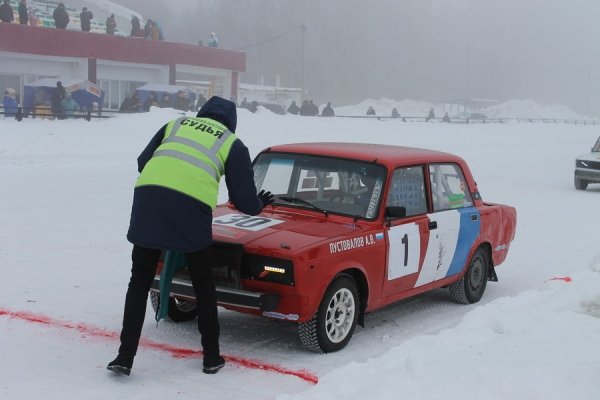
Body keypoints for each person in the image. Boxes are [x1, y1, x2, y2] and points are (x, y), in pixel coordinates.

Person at [107, 96, 274, 376]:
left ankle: (124, 357)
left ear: (202, 113)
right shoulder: (231, 143)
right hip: (190, 208)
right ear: (230, 123)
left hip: (149, 200)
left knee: (139, 280)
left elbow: (142, 162)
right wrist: (261, 203)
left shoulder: (175, 124)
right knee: (203, 282)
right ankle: (211, 358)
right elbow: (245, 202)